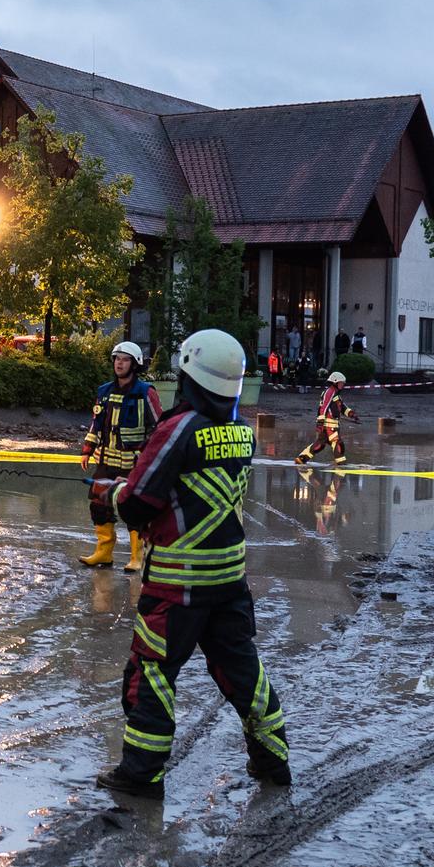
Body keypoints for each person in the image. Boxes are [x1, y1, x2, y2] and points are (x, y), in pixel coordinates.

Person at [90, 328, 292, 796]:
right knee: (244, 674)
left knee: (152, 675)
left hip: (175, 590)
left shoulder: (178, 429)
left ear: (189, 376)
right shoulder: (241, 433)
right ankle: (274, 761)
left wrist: (108, 496)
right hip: (230, 584)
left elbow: (139, 502)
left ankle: (141, 775)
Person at [79, 340, 163, 569]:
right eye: (117, 359)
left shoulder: (146, 392)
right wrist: (87, 450)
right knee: (98, 504)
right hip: (105, 460)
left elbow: (160, 428)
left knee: (133, 509)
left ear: (134, 364)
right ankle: (103, 552)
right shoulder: (104, 391)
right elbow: (96, 423)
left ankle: (137, 557)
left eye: (125, 359)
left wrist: (148, 458)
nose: (119, 363)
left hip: (133, 463)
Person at [295, 370, 360, 465]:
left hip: (330, 424)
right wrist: (320, 421)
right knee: (337, 443)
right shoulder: (330, 391)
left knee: (320, 444)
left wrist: (351, 414)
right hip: (329, 425)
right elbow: (324, 406)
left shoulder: (336, 394)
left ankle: (301, 459)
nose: (343, 385)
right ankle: (341, 466)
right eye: (341, 383)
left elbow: (342, 407)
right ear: (335, 382)